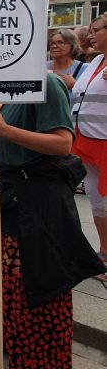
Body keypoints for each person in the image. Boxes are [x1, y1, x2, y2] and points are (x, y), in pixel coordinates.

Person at [0, 73, 103, 369]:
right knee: (9, 286)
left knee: (38, 290)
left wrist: (3, 130)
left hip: (38, 203)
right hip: (12, 199)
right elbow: (12, 139)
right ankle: (12, 348)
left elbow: (62, 144)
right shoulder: (7, 87)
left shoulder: (46, 82)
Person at [71, 15, 107, 281]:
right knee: (97, 199)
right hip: (85, 140)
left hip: (104, 141)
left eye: (96, 31)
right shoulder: (95, 61)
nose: (90, 36)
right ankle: (104, 252)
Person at [48, 28, 87, 101]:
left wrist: (74, 85)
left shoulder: (84, 69)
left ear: (73, 45)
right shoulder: (42, 68)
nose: (54, 46)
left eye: (60, 42)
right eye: (52, 43)